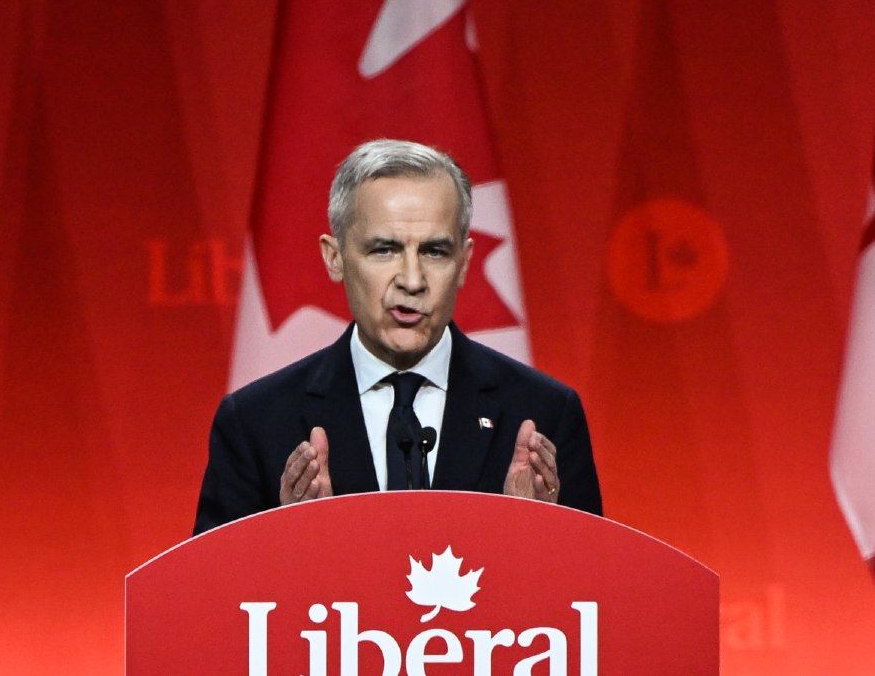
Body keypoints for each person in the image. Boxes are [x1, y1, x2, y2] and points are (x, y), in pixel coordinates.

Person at [193, 139, 600, 534]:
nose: (412, 280)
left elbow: (593, 589)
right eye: (384, 249)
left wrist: (538, 535)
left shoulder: (544, 413)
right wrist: (289, 539)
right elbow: (208, 593)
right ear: (334, 258)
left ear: (464, 263)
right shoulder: (256, 423)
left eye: (435, 252)